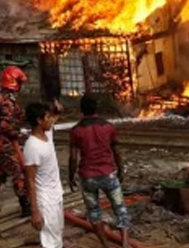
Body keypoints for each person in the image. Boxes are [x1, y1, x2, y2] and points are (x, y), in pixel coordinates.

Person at [68, 95, 130, 248]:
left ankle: (105, 245)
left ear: (81, 110)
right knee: (120, 209)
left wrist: (70, 177)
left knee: (94, 214)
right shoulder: (108, 126)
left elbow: (73, 158)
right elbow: (117, 151)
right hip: (108, 174)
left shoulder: (76, 130)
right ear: (97, 108)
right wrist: (121, 170)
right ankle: (126, 243)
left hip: (88, 177)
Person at [0, 65, 30, 217]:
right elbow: (5, 125)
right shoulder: (8, 101)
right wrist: (17, 135)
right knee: (18, 172)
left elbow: (18, 113)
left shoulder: (1, 96)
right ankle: (25, 206)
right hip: (2, 143)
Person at [23, 102, 64, 248]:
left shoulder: (46, 134)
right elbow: (30, 181)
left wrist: (58, 112)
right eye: (48, 117)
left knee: (56, 236)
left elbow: (53, 121)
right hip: (46, 201)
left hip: (56, 195)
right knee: (51, 242)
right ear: (39, 121)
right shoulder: (32, 146)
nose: (51, 120)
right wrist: (35, 211)